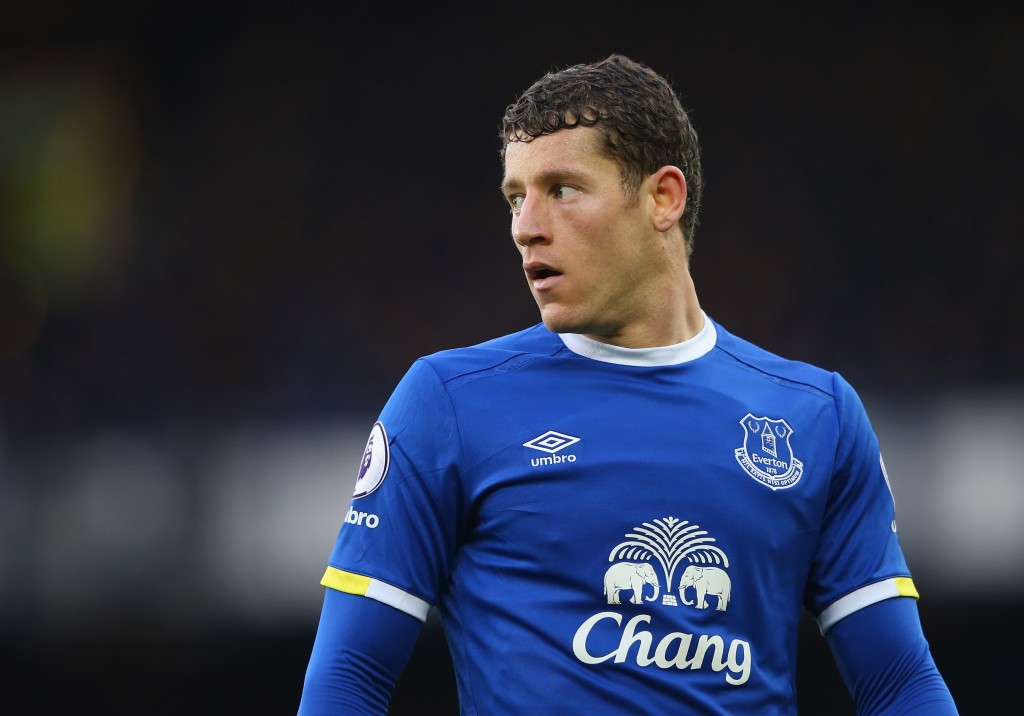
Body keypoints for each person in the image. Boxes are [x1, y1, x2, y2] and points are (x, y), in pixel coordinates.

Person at [297, 54, 958, 714]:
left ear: (662, 198)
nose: (526, 226)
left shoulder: (815, 418)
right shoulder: (448, 403)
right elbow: (348, 679)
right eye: (515, 196)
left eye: (561, 189)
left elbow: (899, 682)